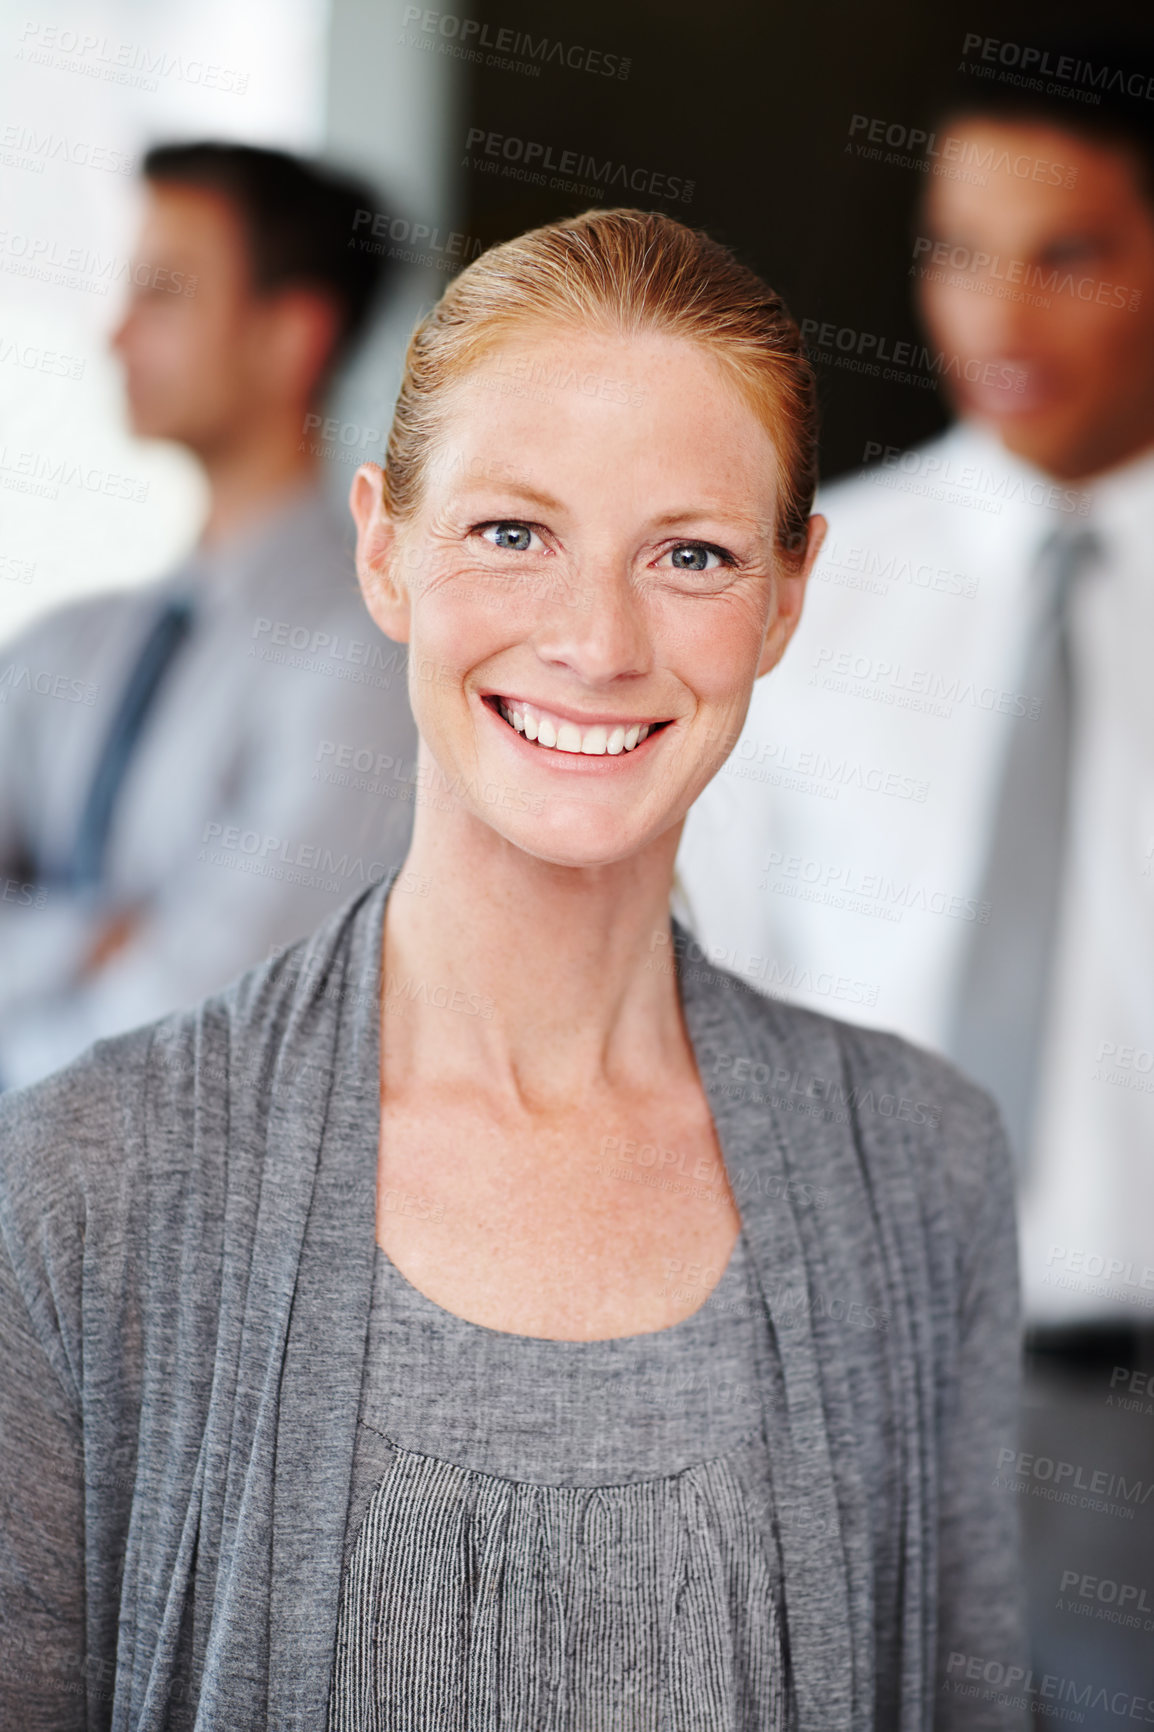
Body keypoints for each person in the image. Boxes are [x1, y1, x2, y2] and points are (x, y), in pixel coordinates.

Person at [0, 208, 1025, 1730]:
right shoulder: (85, 1183)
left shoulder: (922, 1168)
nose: (596, 641)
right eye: (510, 532)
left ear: (789, 595)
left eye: (690, 553)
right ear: (383, 548)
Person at [676, 59, 1154, 1718]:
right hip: (845, 1398)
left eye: (1065, 254)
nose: (996, 310)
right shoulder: (801, 588)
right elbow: (703, 995)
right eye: (955, 250)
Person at [0, 141, 417, 1091]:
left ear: (291, 337)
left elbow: (198, 1026)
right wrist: (87, 939)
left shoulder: (371, 657)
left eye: (166, 291)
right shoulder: (73, 645)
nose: (116, 335)